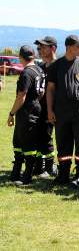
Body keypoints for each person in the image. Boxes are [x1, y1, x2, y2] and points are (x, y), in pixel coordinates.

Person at [46, 35, 79, 188]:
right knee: (63, 143)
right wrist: (49, 110)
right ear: (69, 47)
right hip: (61, 110)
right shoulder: (56, 65)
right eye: (78, 46)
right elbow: (50, 89)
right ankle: (63, 175)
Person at [8, 45, 45, 185]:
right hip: (36, 107)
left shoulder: (26, 73)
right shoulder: (39, 70)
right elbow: (41, 92)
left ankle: (27, 177)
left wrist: (12, 113)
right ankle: (15, 173)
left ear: (20, 57)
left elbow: (21, 96)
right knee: (18, 142)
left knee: (26, 144)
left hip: (26, 111)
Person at [33, 36, 58, 178]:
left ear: (53, 48)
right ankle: (39, 165)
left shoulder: (59, 66)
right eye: (39, 48)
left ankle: (50, 166)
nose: (40, 50)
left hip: (54, 110)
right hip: (39, 110)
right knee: (39, 136)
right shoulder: (40, 67)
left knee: (47, 137)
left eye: (43, 47)